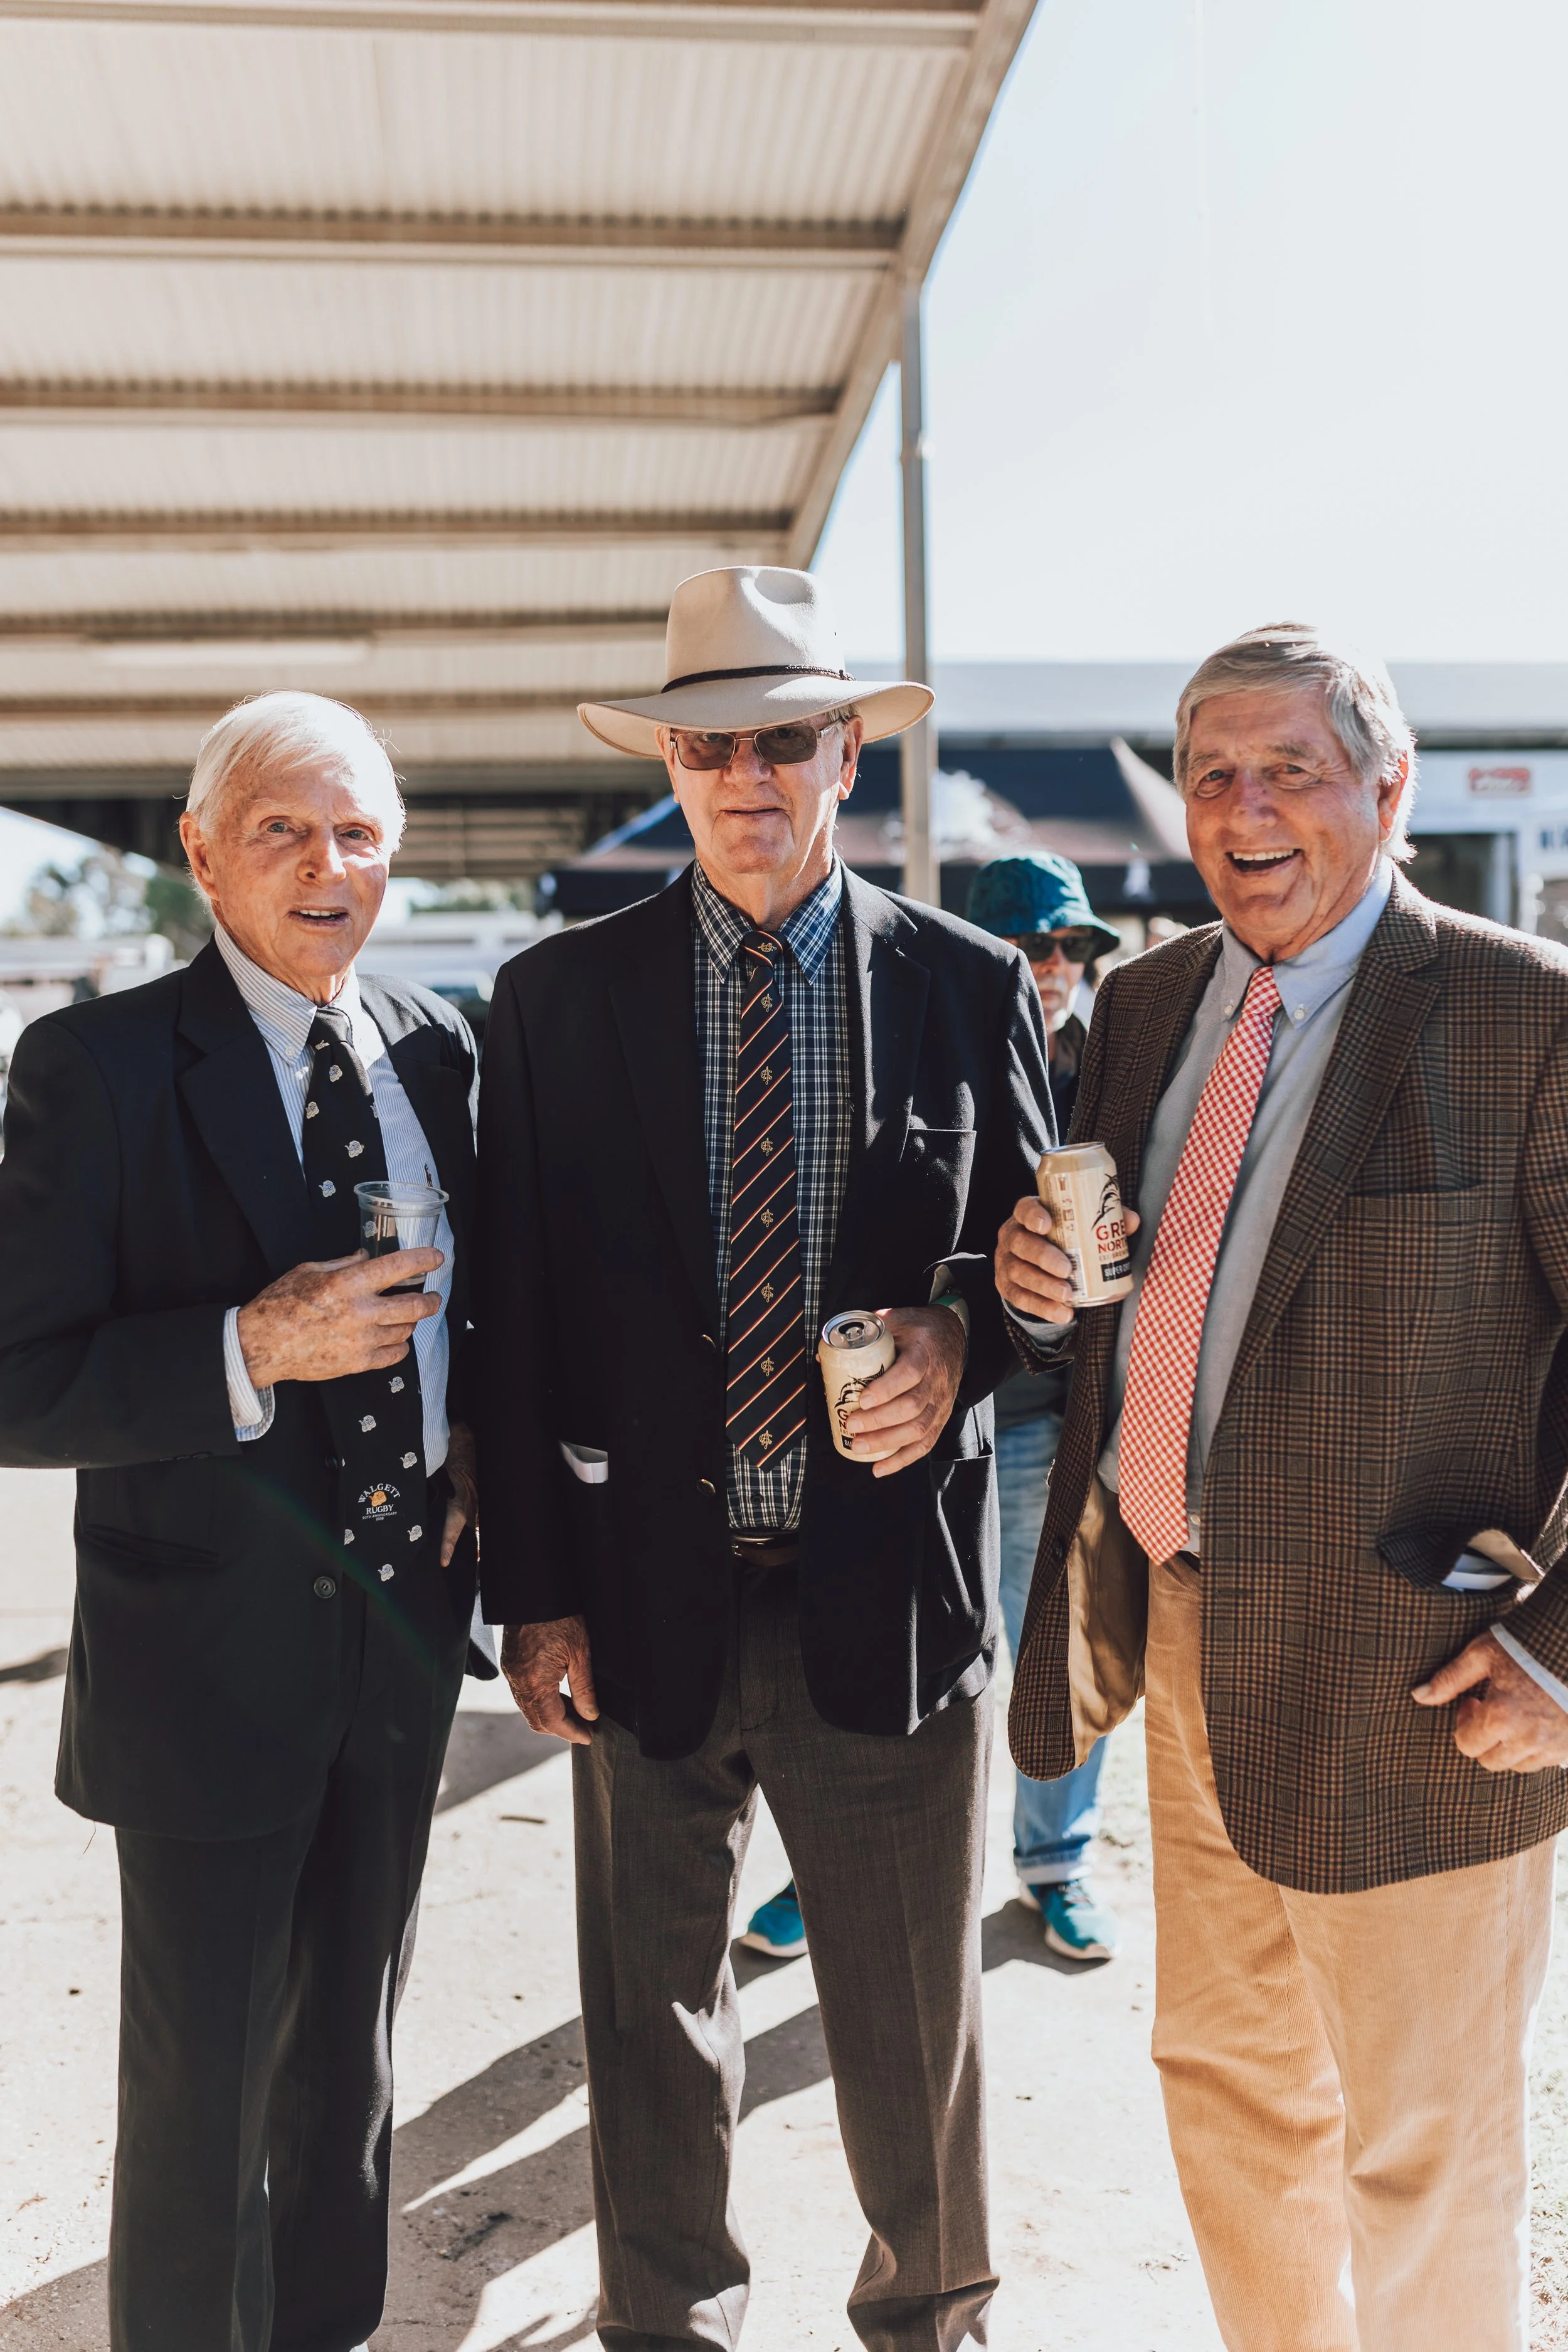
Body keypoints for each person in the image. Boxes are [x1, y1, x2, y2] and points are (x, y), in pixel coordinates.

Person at [475, 564, 1054, 2351]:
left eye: (782, 741)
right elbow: (510, 1318)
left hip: (883, 1594)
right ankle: (669, 2326)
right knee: (647, 2019)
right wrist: (534, 1602)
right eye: (708, 745)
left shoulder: (962, 985)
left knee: (908, 2028)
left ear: (843, 759)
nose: (745, 776)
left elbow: (1046, 1274)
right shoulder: (556, 996)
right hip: (637, 1599)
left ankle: (930, 2320)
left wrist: (967, 1339)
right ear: (669, 761)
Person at [996, 623, 1568, 2352]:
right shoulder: (1148, 1003)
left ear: (1385, 789)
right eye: (1209, 773)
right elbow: (1127, 1296)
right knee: (1229, 2094)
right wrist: (1037, 1288)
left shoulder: (1524, 1014)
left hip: (1427, 1684)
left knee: (1420, 2152)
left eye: (1288, 771)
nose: (1242, 811)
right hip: (1182, 1648)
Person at [0, 692, 483, 2352]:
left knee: (344, 2068)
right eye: (282, 828)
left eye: (357, 830)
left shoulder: (438, 1046)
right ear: (203, 854)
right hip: (201, 1671)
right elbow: (16, 1382)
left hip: (401, 1647)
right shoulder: (96, 1065)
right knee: (200, 2090)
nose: (326, 863)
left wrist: (475, 1430)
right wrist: (246, 1345)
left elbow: (488, 1309)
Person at [743, 851, 1124, 1966]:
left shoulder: (1115, 1057)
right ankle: (822, 1876)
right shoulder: (939, 1010)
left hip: (1055, 1407)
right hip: (920, 1392)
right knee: (878, 1634)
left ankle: (1055, 1864)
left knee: (1050, 1642)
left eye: (1075, 947)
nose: (1057, 966)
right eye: (1038, 944)